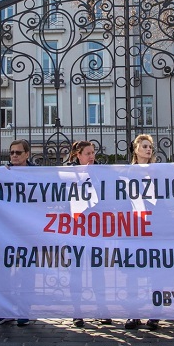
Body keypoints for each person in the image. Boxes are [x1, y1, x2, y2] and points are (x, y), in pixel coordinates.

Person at [65, 140, 112, 329]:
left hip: (95, 229)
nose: (92, 156)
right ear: (78, 155)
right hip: (75, 230)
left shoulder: (100, 172)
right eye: (88, 153)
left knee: (97, 270)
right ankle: (77, 311)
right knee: (76, 270)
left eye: (93, 153)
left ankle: (102, 308)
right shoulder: (68, 173)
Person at [0, 139, 33, 327]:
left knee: (27, 271)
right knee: (3, 270)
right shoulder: (3, 173)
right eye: (12, 152)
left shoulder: (37, 174)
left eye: (18, 152)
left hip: (28, 230)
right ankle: (5, 310)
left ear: (27, 154)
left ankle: (24, 310)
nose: (14, 156)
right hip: (5, 228)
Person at [125, 133, 161, 331]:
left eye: (150, 147)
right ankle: (134, 313)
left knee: (156, 272)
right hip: (134, 228)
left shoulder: (158, 172)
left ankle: (155, 313)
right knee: (133, 272)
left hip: (155, 228)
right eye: (144, 146)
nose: (148, 149)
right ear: (136, 149)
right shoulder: (128, 172)